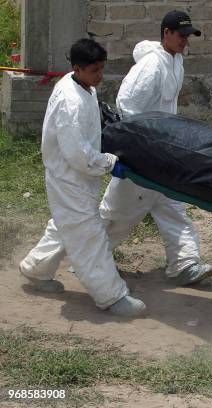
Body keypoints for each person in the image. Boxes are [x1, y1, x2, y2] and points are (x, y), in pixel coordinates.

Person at [19, 39, 146, 317]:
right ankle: (112, 296)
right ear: (77, 68)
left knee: (65, 225)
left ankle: (35, 269)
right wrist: (108, 163)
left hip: (78, 177)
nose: (99, 76)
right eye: (94, 70)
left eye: (102, 68)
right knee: (88, 233)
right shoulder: (70, 101)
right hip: (70, 178)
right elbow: (78, 154)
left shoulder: (81, 86)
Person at [99, 11, 212, 286]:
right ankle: (90, 256)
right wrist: (140, 147)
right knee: (118, 212)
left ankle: (184, 263)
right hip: (143, 153)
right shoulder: (151, 65)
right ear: (166, 33)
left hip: (163, 151)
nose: (185, 42)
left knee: (173, 204)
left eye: (188, 37)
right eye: (181, 35)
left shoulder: (176, 62)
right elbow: (126, 105)